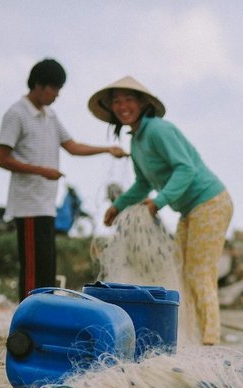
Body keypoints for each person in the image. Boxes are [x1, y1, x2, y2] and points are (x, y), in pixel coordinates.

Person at [90, 76, 233, 346]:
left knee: (199, 272)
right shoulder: (137, 141)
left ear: (143, 103)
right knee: (181, 271)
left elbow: (185, 168)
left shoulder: (158, 130)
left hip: (211, 202)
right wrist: (117, 207)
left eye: (128, 100)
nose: (123, 106)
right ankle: (193, 335)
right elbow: (144, 183)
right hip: (189, 209)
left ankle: (210, 340)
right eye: (117, 102)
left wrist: (159, 202)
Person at [0, 59, 127, 301]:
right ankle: (28, 321)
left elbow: (72, 146)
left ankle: (44, 318)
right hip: (28, 204)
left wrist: (107, 149)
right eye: (54, 89)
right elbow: (1, 158)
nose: (56, 95)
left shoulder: (50, 116)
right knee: (33, 271)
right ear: (39, 85)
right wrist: (41, 171)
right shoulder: (17, 113)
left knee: (46, 268)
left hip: (46, 203)